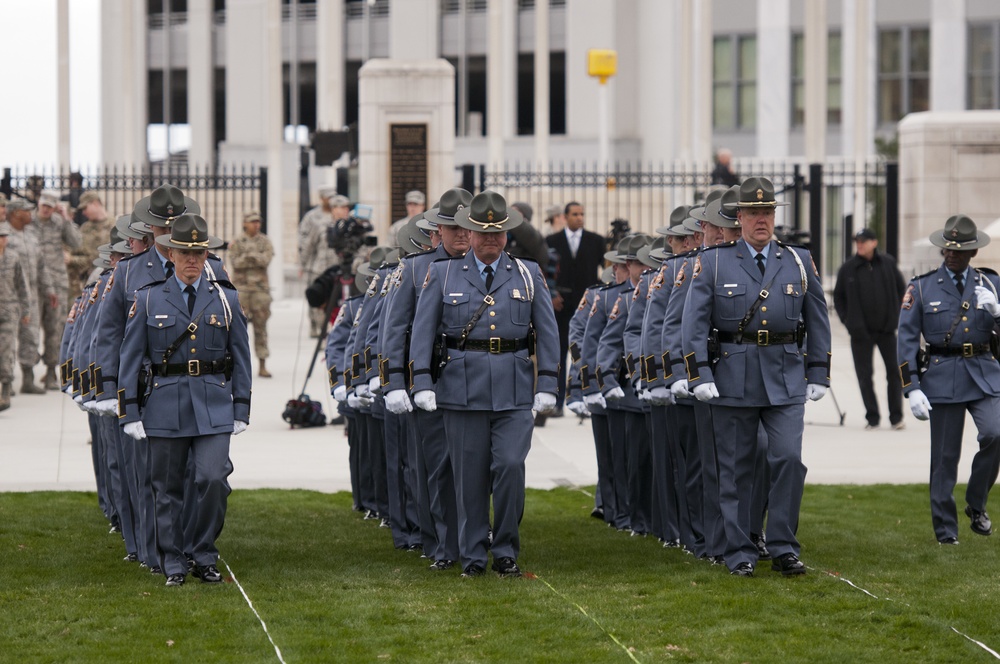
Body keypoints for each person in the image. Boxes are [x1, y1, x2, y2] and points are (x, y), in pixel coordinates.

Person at [681, 176, 832, 578]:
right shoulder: (714, 261)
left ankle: (783, 545)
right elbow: (693, 324)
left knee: (788, 459)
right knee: (735, 469)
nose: (761, 220)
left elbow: (818, 317)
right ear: (740, 217)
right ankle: (739, 550)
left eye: (767, 212)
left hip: (785, 376)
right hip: (733, 375)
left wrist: (818, 370)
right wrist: (700, 374)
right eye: (754, 213)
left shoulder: (797, 260)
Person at [409, 190, 559, 578]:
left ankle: (506, 547)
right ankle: (473, 555)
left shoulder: (527, 273)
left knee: (510, 467)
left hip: (513, 388)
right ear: (470, 234)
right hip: (461, 389)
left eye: (499, 233)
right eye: (484, 233)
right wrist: (421, 381)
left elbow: (548, 330)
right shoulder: (443, 273)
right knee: (469, 476)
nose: (491, 240)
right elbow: (423, 332)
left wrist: (548, 382)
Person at [118, 213, 251, 587]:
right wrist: (129, 412)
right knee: (167, 488)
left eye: (198, 252)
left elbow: (241, 357)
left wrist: (241, 406)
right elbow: (130, 357)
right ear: (170, 254)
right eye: (184, 252)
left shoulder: (226, 299)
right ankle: (173, 561)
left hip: (213, 405)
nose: (192, 260)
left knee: (213, 478)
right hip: (165, 404)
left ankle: (203, 551)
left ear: (207, 255)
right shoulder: (147, 299)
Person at [897, 214, 1000, 545]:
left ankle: (976, 503)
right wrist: (911, 387)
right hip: (944, 373)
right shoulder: (922, 287)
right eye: (947, 249)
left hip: (984, 371)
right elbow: (907, 339)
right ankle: (945, 532)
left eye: (959, 250)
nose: (952, 254)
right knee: (944, 458)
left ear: (973, 253)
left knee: (996, 433)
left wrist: (998, 314)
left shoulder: (992, 284)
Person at [834, 228, 907, 430]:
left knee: (895, 372)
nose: (860, 244)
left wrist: (897, 314)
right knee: (865, 376)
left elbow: (902, 289)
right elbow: (838, 297)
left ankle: (896, 417)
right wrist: (848, 321)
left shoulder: (888, 263)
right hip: (860, 333)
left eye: (864, 241)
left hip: (886, 330)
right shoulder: (848, 268)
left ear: (874, 242)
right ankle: (872, 417)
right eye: (857, 241)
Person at [546, 202, 606, 416]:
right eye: (575, 214)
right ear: (565, 216)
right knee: (560, 353)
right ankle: (558, 402)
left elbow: (607, 272)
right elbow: (545, 272)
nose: (579, 218)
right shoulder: (551, 241)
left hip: (588, 306)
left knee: (587, 352)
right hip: (561, 306)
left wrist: (598, 297)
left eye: (582, 214)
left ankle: (585, 399)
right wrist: (552, 295)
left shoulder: (596, 241)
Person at [32, 189, 84, 389]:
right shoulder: (28, 221)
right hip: (34, 282)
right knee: (30, 328)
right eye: (43, 205)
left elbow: (77, 242)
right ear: (39, 203)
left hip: (56, 282)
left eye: (50, 206)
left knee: (55, 329)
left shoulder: (59, 222)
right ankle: (31, 360)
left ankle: (51, 371)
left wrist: (66, 219)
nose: (45, 209)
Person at [5, 199, 56, 394]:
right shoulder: (4, 235)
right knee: (6, 340)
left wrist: (49, 289)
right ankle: (5, 382)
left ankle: (28, 379)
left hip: (31, 295)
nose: (30, 214)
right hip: (8, 295)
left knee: (30, 336)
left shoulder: (32, 235)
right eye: (26, 211)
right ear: (16, 213)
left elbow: (41, 266)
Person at [227, 210, 274, 378]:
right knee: (238, 329)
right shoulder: (237, 242)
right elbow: (235, 262)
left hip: (260, 291)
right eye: (253, 222)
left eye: (258, 222)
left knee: (261, 329)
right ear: (245, 223)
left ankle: (262, 364)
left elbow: (266, 260)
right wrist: (254, 258)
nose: (256, 225)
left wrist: (248, 257)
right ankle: (238, 365)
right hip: (242, 291)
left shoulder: (265, 241)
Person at [301, 193, 351, 337]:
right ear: (332, 209)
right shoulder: (320, 226)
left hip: (344, 274)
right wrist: (303, 265)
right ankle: (323, 334)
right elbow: (309, 246)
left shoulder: (352, 227)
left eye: (343, 207)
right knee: (321, 308)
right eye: (336, 207)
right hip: (322, 272)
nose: (340, 210)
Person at [0, 221, 32, 411]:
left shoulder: (13, 258)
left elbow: (22, 285)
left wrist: (26, 310)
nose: (2, 240)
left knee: (6, 350)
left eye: (4, 236)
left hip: (8, 311)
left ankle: (6, 387)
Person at [67, 191, 113, 294]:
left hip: (111, 282)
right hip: (88, 284)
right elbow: (77, 252)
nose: (83, 212)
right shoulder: (84, 229)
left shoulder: (114, 226)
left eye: (85, 208)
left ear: (95, 203)